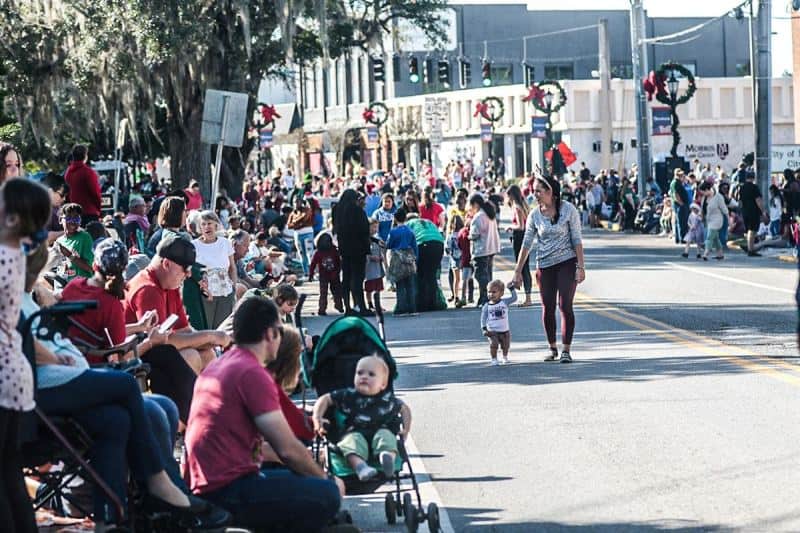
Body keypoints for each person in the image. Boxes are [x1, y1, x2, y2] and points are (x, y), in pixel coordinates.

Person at [186, 296, 341, 531]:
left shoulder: (221, 364)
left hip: (203, 481)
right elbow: (287, 449)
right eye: (280, 330)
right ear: (270, 334)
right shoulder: (251, 372)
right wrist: (324, 478)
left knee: (289, 476)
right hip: (225, 488)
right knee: (327, 494)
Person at [0, 178, 50, 533]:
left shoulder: (3, 256)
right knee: (8, 470)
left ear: (13, 217)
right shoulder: (16, 254)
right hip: (14, 373)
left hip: (2, 374)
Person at [125, 236, 232, 377]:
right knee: (190, 356)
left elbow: (184, 330)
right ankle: (184, 399)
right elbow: (162, 341)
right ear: (167, 264)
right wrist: (211, 336)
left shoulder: (168, 283)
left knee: (207, 354)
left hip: (155, 352)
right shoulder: (147, 289)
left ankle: (206, 397)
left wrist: (213, 340)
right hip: (134, 357)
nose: (188, 274)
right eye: (186, 268)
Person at [513, 174, 585, 363]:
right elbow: (526, 243)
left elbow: (577, 239)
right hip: (544, 265)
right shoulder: (534, 215)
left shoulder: (569, 210)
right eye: (533, 191)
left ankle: (566, 350)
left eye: (538, 191)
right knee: (547, 307)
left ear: (550, 192)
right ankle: (552, 347)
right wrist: (518, 270)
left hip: (567, 263)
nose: (534, 194)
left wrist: (581, 266)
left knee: (565, 305)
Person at [312, 355, 411, 481]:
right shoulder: (347, 395)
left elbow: (404, 409)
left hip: (380, 430)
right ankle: (360, 467)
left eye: (371, 374)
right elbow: (325, 399)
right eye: (359, 373)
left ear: (383, 384)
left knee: (386, 437)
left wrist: (406, 429)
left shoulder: (387, 400)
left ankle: (387, 458)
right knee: (351, 443)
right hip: (354, 431)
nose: (364, 377)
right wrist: (317, 417)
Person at [192, 211, 237, 329]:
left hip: (225, 291)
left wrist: (233, 287)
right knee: (206, 327)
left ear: (216, 225)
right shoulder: (194, 245)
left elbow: (232, 267)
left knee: (222, 328)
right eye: (203, 224)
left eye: (209, 223)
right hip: (205, 292)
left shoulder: (225, 243)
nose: (207, 227)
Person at [333, 189, 371, 316]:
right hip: (358, 249)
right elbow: (364, 229)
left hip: (344, 249)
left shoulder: (337, 211)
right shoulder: (358, 211)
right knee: (358, 279)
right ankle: (360, 306)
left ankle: (347, 306)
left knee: (346, 278)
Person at [406, 215, 446, 312]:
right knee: (431, 276)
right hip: (438, 244)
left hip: (423, 244)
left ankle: (422, 305)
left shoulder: (409, 224)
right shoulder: (428, 221)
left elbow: (408, 241)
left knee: (421, 276)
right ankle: (433, 303)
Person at [468, 193, 501, 307]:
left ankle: (486, 297)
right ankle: (487, 297)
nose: (471, 208)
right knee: (488, 274)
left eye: (471, 205)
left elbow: (474, 234)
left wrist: (469, 235)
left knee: (480, 275)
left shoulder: (478, 216)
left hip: (481, 250)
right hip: (491, 248)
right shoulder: (489, 213)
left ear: (476, 204)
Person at [386, 209, 418, 316]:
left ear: (395, 218)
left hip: (398, 260)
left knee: (400, 285)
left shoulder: (393, 232)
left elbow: (389, 245)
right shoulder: (410, 231)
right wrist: (415, 259)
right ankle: (412, 308)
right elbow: (415, 247)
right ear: (405, 218)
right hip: (409, 259)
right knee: (410, 285)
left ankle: (401, 308)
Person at [505, 185, 533, 307]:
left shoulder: (517, 207)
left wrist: (510, 227)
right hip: (525, 236)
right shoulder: (524, 205)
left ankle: (527, 297)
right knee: (523, 265)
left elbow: (520, 226)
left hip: (519, 236)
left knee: (522, 266)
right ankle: (520, 286)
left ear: (512, 195)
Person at [63, 144, 102, 226]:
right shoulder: (88, 172)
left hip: (73, 212)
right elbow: (95, 193)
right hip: (89, 212)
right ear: (85, 156)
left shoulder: (68, 173)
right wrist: (98, 209)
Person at [55, 203, 95, 282]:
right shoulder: (58, 241)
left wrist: (69, 255)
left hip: (82, 286)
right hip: (64, 284)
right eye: (69, 218)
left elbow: (90, 268)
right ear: (60, 220)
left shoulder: (85, 237)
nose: (73, 222)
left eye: (76, 219)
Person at [481, 280, 517, 366]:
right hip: (492, 331)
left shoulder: (504, 302)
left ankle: (505, 357)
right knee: (494, 345)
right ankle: (494, 359)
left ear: (501, 293)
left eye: (494, 292)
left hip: (504, 330)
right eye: (489, 292)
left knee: (506, 346)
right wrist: (484, 329)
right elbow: (483, 318)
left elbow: (514, 298)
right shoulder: (487, 306)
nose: (491, 294)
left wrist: (511, 289)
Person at [309, 232, 343, 316]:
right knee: (336, 292)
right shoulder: (334, 250)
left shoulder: (318, 252)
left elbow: (313, 264)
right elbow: (339, 263)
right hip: (333, 275)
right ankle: (339, 306)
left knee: (323, 293)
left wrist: (311, 275)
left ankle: (322, 309)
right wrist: (338, 271)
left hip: (324, 275)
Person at [737, 172, 765, 256]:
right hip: (753, 211)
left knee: (749, 230)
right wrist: (763, 211)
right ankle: (751, 249)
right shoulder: (754, 187)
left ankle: (750, 247)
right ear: (753, 178)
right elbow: (758, 200)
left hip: (745, 211)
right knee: (752, 230)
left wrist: (741, 211)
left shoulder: (742, 188)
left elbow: (740, 201)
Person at [287, 196, 315, 276]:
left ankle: (312, 272)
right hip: (298, 235)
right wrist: (299, 223)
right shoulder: (293, 213)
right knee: (301, 254)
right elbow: (289, 225)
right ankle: (306, 272)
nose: (296, 204)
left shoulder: (306, 209)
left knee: (309, 253)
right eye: (294, 202)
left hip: (307, 233)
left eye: (297, 202)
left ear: (301, 202)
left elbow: (305, 218)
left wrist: (295, 222)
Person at [701, 182, 728, 261]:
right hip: (709, 220)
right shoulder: (704, 198)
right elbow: (703, 209)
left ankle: (706, 253)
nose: (702, 194)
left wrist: (728, 219)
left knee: (709, 236)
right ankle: (720, 254)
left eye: (703, 192)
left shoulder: (718, 197)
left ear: (707, 190)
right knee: (715, 238)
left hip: (717, 219)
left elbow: (724, 209)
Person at [364, 220, 385, 311]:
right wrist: (372, 257)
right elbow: (365, 253)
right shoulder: (366, 240)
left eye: (376, 227)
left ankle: (378, 304)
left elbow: (381, 250)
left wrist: (382, 258)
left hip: (377, 268)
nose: (375, 229)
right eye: (373, 227)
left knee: (378, 288)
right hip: (369, 268)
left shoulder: (377, 239)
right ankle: (370, 304)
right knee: (369, 288)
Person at [445, 215, 465, 307]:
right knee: (466, 278)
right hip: (464, 257)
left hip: (454, 258)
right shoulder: (463, 233)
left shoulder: (450, 236)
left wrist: (450, 253)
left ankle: (456, 296)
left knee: (456, 279)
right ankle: (466, 296)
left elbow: (447, 248)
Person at [669, 168, 690, 245]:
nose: (682, 176)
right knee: (682, 222)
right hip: (680, 205)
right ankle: (682, 238)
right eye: (680, 175)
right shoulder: (676, 183)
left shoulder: (678, 182)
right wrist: (681, 203)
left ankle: (679, 238)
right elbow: (676, 194)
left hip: (679, 204)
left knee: (680, 221)